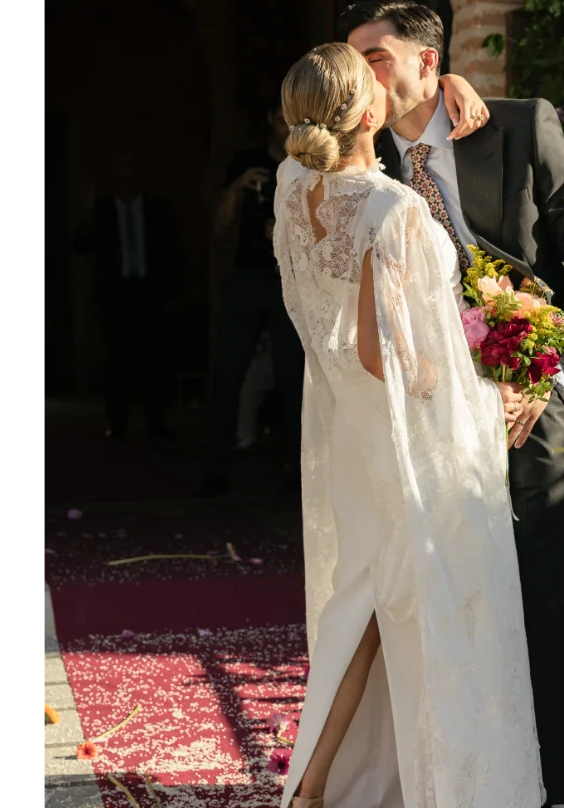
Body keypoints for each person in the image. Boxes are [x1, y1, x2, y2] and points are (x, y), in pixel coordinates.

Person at [266, 40, 545, 808]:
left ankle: (317, 800)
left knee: (364, 612)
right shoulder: (392, 211)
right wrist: (479, 364)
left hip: (347, 438)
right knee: (416, 619)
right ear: (372, 114)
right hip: (401, 447)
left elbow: (332, 337)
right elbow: (401, 363)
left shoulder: (286, 189)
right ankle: (343, 804)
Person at [342, 0, 564, 808]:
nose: (365, 76)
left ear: (430, 63)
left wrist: (545, 376)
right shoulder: (366, 162)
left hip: (526, 412)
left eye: (379, 58)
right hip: (428, 415)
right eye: (355, 61)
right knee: (437, 606)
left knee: (528, 610)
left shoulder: (519, 127)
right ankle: (438, 799)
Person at [197, 78, 495, 498]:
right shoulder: (387, 203)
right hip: (399, 397)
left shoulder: (291, 179)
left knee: (290, 377)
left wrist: (450, 80)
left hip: (346, 393)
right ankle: (219, 465)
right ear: (369, 117)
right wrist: (470, 394)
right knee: (231, 373)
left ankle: (283, 470)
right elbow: (382, 353)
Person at [73, 151, 181, 441]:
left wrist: (171, 291)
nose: (125, 172)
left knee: (155, 358)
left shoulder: (156, 208)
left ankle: (156, 421)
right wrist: (85, 219)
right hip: (117, 292)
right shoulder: (103, 209)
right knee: (118, 359)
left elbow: (170, 251)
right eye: (119, 166)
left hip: (149, 291)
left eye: (130, 165)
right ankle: (117, 421)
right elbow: (82, 246)